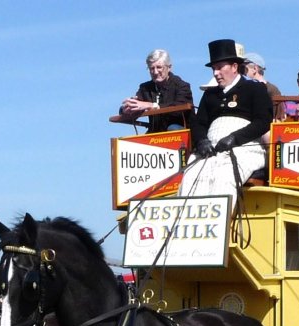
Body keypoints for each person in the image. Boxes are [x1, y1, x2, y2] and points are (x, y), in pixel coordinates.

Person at [177, 39, 272, 203]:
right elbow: (199, 123)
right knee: (191, 175)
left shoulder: (255, 89)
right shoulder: (210, 95)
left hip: (245, 147)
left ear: (234, 67)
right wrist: (201, 141)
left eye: (220, 67)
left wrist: (235, 138)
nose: (215, 73)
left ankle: (220, 218)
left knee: (224, 176)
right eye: (214, 69)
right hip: (211, 147)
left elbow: (263, 121)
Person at [119, 49, 193, 133]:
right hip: (155, 134)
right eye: (152, 68)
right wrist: (128, 108)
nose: (155, 72)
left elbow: (180, 109)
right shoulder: (145, 88)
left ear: (169, 68)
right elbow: (138, 105)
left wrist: (152, 105)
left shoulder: (182, 86)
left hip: (179, 134)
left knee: (172, 128)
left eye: (159, 67)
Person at [244, 52, 285, 121]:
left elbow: (278, 117)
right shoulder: (243, 88)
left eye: (244, 68)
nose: (241, 72)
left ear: (255, 69)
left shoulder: (271, 90)